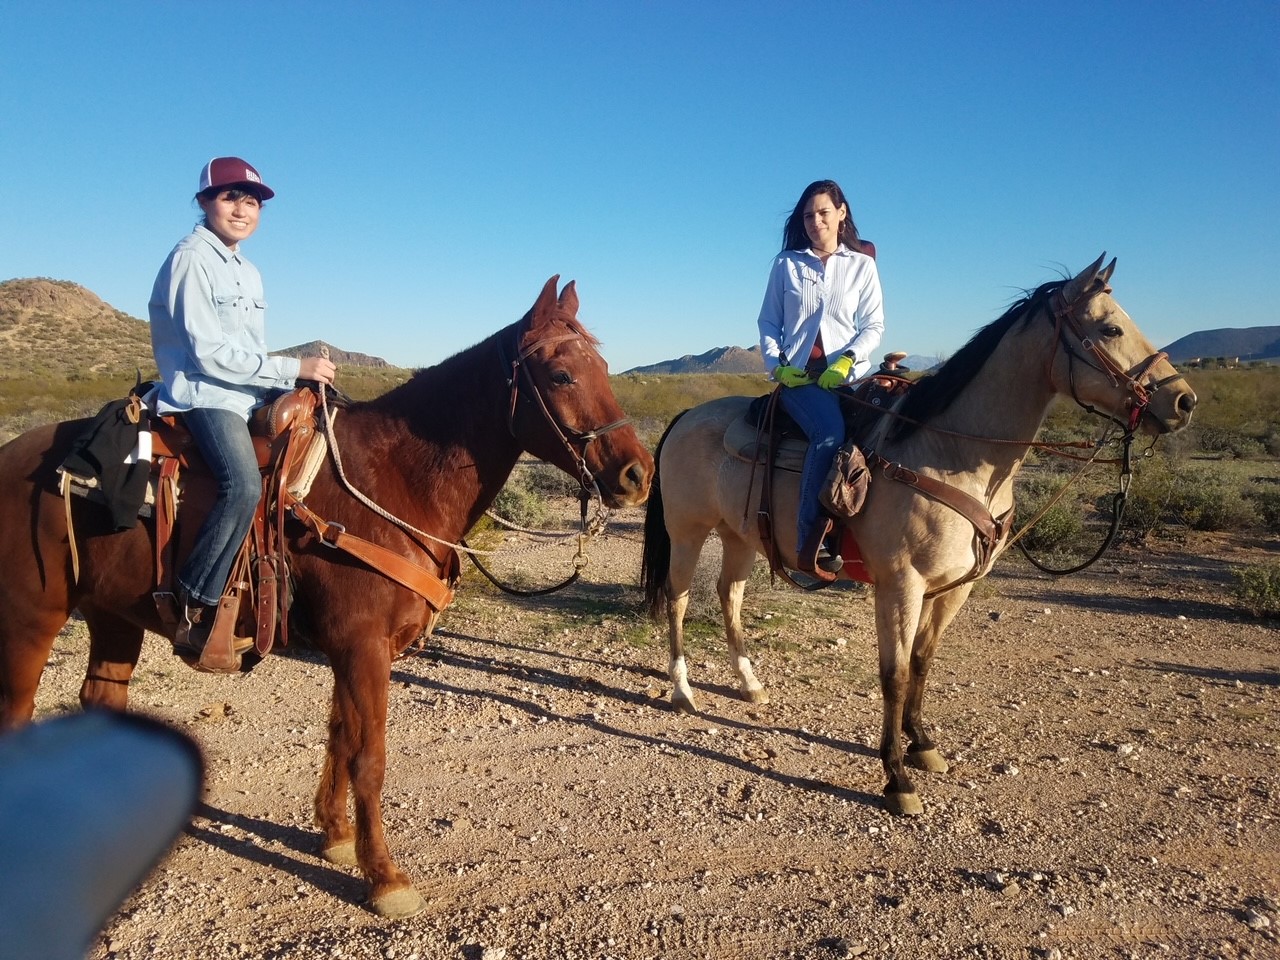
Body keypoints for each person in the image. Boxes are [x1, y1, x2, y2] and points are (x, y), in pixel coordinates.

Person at [149, 157, 336, 666]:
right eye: (230, 197)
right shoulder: (191, 258)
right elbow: (209, 353)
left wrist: (292, 378)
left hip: (245, 394)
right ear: (205, 201)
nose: (242, 209)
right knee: (243, 484)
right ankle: (195, 598)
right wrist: (292, 366)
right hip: (205, 396)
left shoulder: (247, 269)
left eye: (251, 201)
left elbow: (247, 348)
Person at [756, 178, 884, 581]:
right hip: (801, 379)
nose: (815, 221)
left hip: (849, 376)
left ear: (841, 213)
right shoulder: (787, 264)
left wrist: (848, 360)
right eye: (808, 215)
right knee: (828, 433)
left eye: (823, 212)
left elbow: (873, 325)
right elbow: (768, 322)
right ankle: (809, 539)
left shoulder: (861, 265)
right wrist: (777, 366)